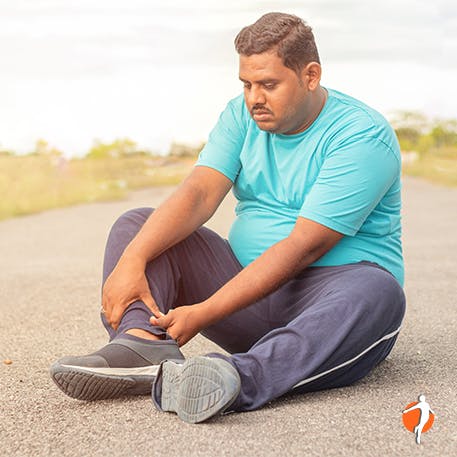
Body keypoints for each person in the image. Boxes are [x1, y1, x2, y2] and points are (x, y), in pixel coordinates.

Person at [50, 12, 406, 424]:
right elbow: (199, 193)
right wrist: (132, 259)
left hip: (330, 301)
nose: (255, 97)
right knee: (138, 227)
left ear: (311, 76)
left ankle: (236, 377)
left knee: (378, 291)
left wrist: (204, 312)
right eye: (247, 84)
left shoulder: (361, 134)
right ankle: (141, 344)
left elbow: (304, 245)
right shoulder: (242, 115)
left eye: (269, 85)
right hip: (247, 293)